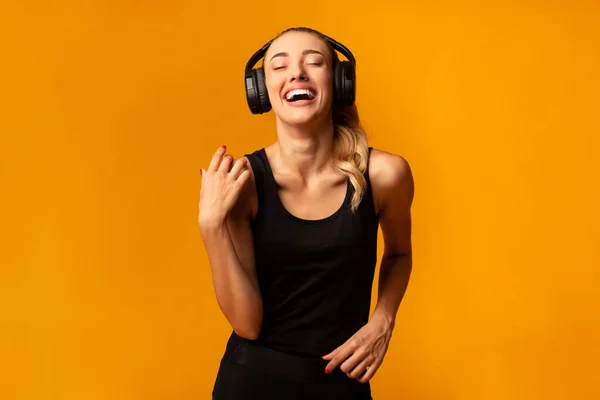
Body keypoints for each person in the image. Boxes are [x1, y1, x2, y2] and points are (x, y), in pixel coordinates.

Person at [198, 27, 414, 400]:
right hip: (250, 384)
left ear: (340, 83)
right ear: (262, 91)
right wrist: (211, 226)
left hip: (341, 385)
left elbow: (399, 254)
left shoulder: (386, 175)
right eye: (279, 67)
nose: (297, 73)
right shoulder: (243, 183)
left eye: (314, 63)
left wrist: (383, 320)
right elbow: (248, 325)